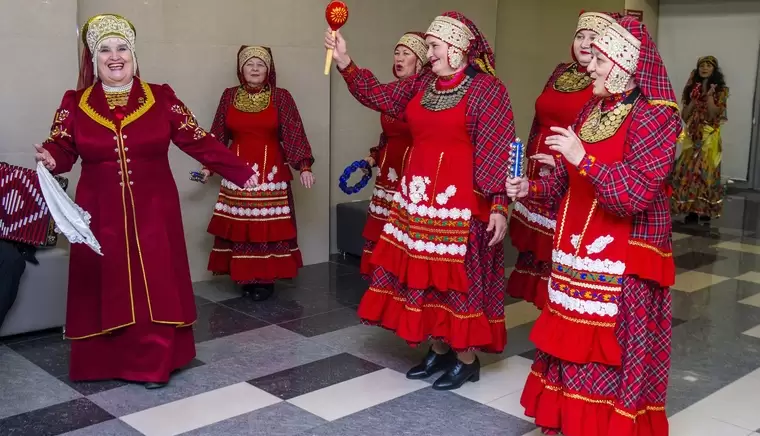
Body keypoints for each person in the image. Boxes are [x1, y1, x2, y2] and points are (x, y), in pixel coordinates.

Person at [34, 14, 256, 389]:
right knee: (106, 281)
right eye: (105, 49)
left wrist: (240, 170)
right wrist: (53, 157)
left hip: (155, 210)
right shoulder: (75, 103)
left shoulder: (161, 97)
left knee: (154, 280)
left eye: (122, 48)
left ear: (134, 54)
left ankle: (153, 363)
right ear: (94, 58)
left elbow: (197, 139)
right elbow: (63, 146)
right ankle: (101, 361)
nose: (114, 56)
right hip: (98, 210)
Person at [507, 16, 681, 436]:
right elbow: (567, 181)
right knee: (573, 343)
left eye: (600, 61)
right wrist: (534, 186)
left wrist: (583, 159)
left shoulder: (657, 117)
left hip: (623, 255)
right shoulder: (592, 111)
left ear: (624, 67)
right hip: (576, 245)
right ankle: (581, 434)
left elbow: (636, 194)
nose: (591, 70)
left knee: (607, 347)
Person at [325, 11, 514, 391]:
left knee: (456, 283)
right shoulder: (423, 84)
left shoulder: (487, 90)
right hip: (417, 201)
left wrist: (499, 206)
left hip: (460, 206)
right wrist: (345, 62)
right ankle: (439, 347)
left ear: (459, 48)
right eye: (428, 47)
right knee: (423, 279)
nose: (428, 55)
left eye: (434, 47)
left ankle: (465, 358)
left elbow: (498, 149)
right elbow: (377, 95)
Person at [507, 11, 616, 309]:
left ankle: (557, 319)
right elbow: (539, 118)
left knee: (561, 258)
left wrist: (567, 163)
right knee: (537, 261)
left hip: (571, 174)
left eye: (593, 39)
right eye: (579, 36)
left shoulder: (605, 83)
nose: (584, 43)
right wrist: (527, 161)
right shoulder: (560, 71)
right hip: (539, 172)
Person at [200, 46, 316, 301]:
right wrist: (208, 165)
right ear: (241, 69)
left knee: (265, 227)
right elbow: (218, 134)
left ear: (269, 70)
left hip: (270, 173)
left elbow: (294, 132)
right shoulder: (229, 96)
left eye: (260, 64)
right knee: (243, 227)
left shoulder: (281, 97)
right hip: (237, 174)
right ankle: (245, 277)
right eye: (249, 64)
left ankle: (265, 279)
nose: (254, 69)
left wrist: (304, 166)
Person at [359, 32, 428, 276]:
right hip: (387, 170)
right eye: (396, 53)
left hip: (411, 173)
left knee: (404, 230)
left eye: (406, 54)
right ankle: (383, 283)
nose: (399, 58)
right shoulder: (392, 92)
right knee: (382, 228)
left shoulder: (425, 95)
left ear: (420, 61)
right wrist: (374, 156)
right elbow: (387, 135)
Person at [671, 55, 728, 223]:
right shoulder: (692, 88)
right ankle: (691, 210)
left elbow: (714, 114)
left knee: (705, 172)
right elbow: (684, 115)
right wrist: (693, 100)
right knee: (688, 172)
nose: (704, 68)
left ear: (714, 70)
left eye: (708, 65)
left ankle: (705, 210)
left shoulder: (721, 91)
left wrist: (709, 95)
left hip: (708, 136)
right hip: (692, 135)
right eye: (701, 65)